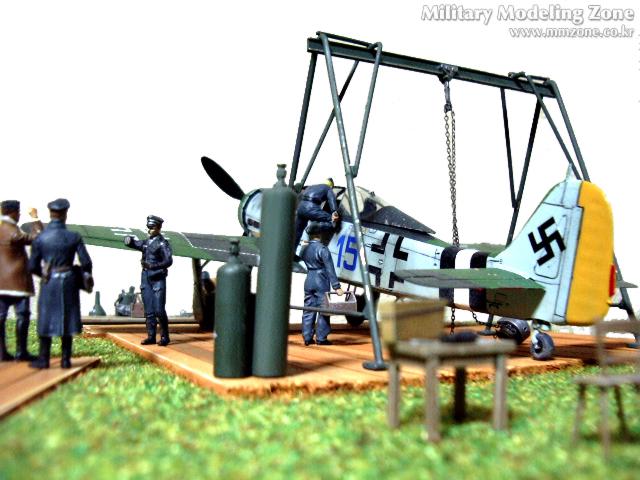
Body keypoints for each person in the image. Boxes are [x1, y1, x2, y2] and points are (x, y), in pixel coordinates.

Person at [28, 198, 93, 369]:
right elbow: (86, 262)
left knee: (46, 318)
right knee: (67, 318)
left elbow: (32, 265)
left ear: (51, 214)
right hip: (69, 280)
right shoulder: (74, 237)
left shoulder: (41, 238)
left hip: (49, 281)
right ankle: (65, 359)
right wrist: (83, 275)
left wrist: (44, 274)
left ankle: (44, 359)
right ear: (65, 214)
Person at [0, 200, 43, 361]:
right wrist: (35, 218)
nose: (19, 215)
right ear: (13, 213)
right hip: (15, 283)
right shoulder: (12, 231)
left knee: (1, 317)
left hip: (2, 283)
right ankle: (21, 352)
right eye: (18, 212)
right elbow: (38, 238)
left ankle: (2, 353)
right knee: (22, 315)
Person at [124, 215, 173, 346]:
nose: (149, 230)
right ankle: (151, 336)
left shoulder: (162, 243)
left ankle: (165, 337)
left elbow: (168, 261)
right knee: (149, 311)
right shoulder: (147, 242)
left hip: (158, 278)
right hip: (146, 278)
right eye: (148, 227)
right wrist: (129, 241)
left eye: (151, 227)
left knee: (159, 310)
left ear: (158, 228)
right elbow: (137, 244)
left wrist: (153, 266)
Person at [300, 222, 344, 346]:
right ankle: (321, 338)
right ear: (320, 234)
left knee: (308, 308)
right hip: (321, 280)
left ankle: (307, 337)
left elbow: (300, 256)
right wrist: (336, 286)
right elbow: (330, 269)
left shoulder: (305, 248)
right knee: (324, 309)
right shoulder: (322, 249)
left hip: (309, 278)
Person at [294, 178, 340, 250]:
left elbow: (300, 195)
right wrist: (334, 212)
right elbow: (332, 199)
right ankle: (312, 228)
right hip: (311, 207)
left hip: (300, 207)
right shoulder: (328, 188)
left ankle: (291, 252)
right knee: (332, 220)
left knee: (297, 232)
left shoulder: (311, 187)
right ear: (331, 186)